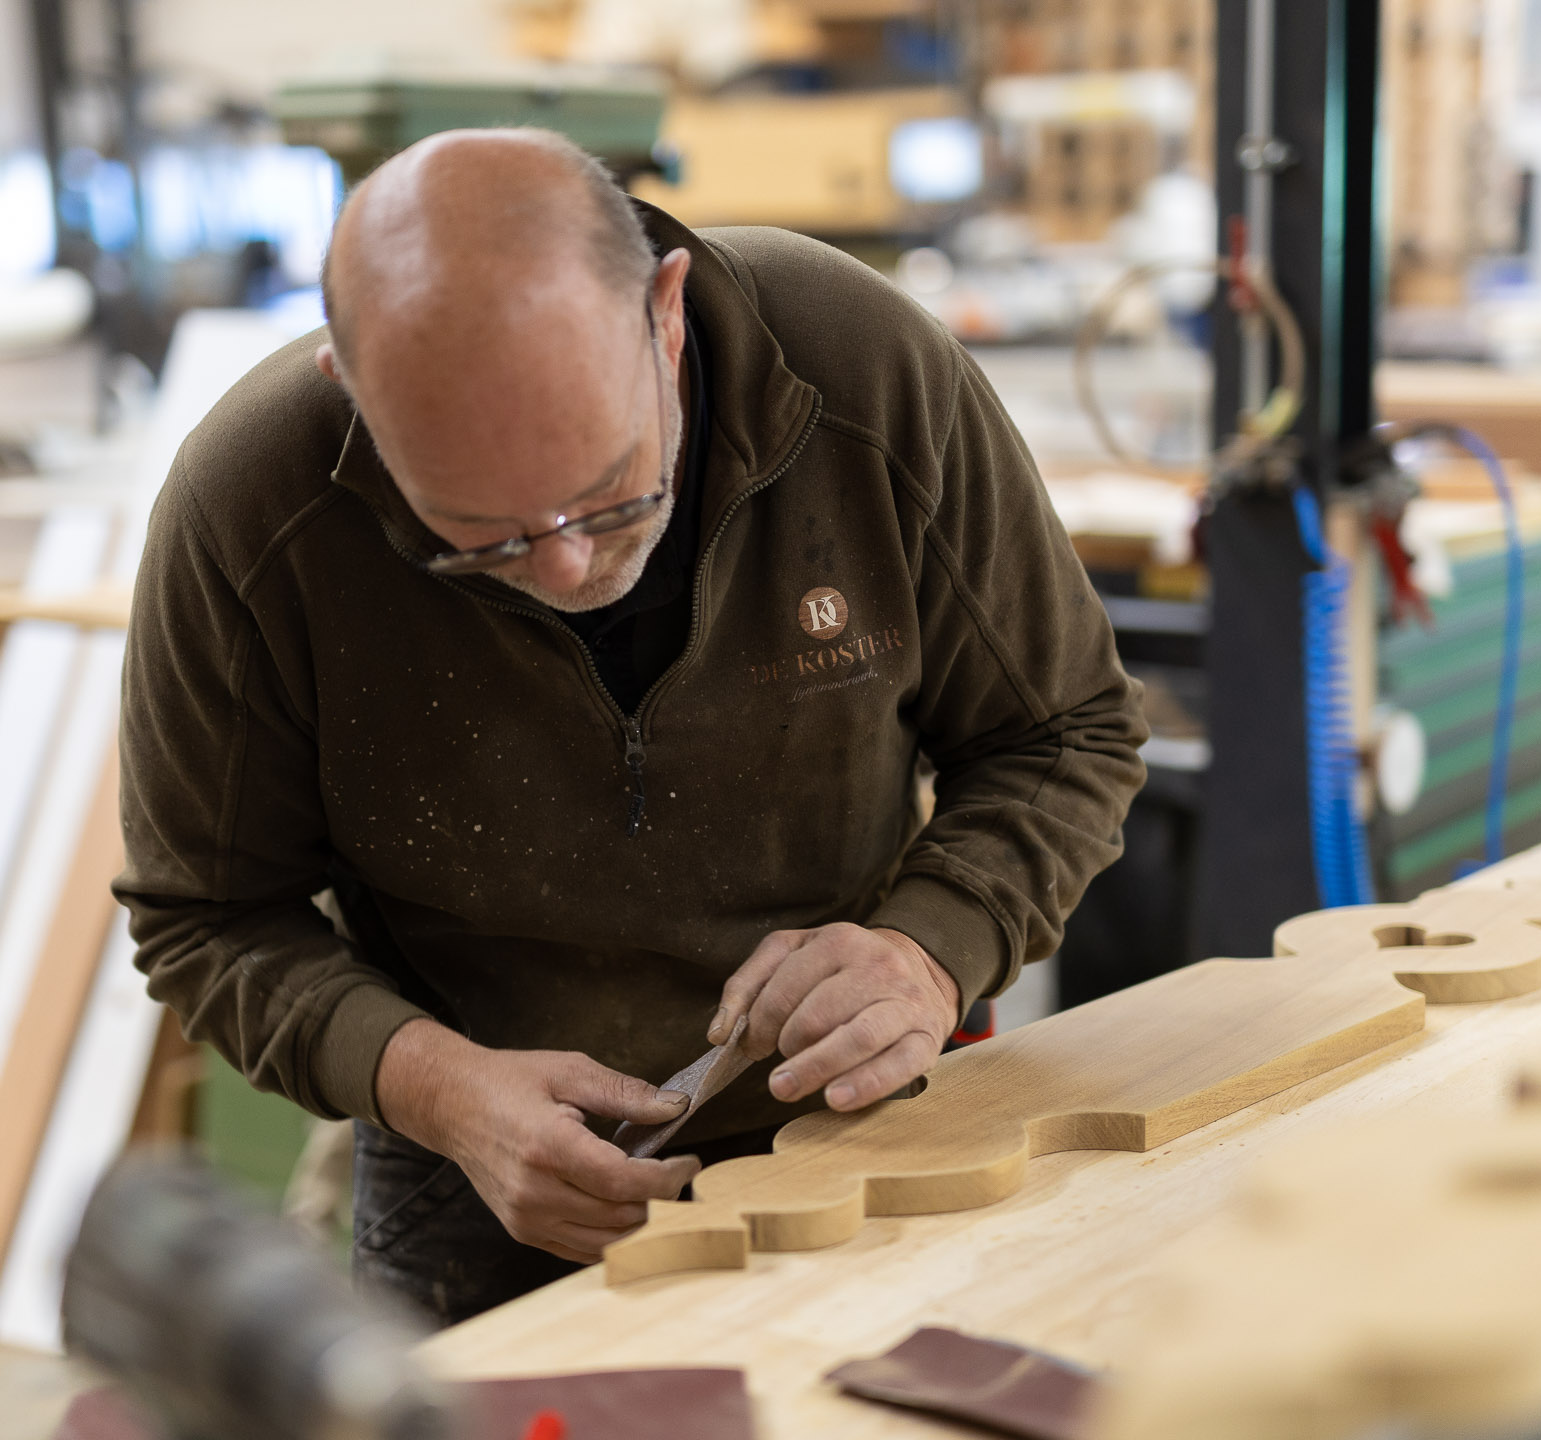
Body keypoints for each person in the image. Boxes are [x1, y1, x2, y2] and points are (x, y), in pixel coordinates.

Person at [115, 127, 1146, 1325]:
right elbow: (206, 915)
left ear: (667, 311)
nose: (560, 564)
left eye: (614, 494)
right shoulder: (254, 505)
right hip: (482, 1162)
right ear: (356, 392)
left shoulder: (858, 370)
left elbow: (1065, 734)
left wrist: (930, 948)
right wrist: (438, 1089)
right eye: (479, 535)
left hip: (867, 1111)